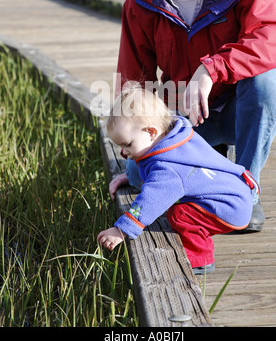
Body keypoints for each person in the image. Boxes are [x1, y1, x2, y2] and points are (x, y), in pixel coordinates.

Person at [115, 0, 276, 232]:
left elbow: (274, 38)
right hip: (186, 117)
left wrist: (212, 70)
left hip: (242, 109)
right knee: (141, 177)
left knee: (267, 83)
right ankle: (206, 165)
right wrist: (135, 150)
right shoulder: (140, 3)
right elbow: (132, 86)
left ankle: (244, 190)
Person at [97, 85, 260, 274]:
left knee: (179, 215)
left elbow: (151, 200)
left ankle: (200, 259)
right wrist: (129, 175)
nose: (123, 153)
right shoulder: (178, 136)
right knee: (181, 211)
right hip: (235, 193)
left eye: (127, 145)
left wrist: (121, 230)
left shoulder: (168, 168)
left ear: (151, 132)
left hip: (230, 207)